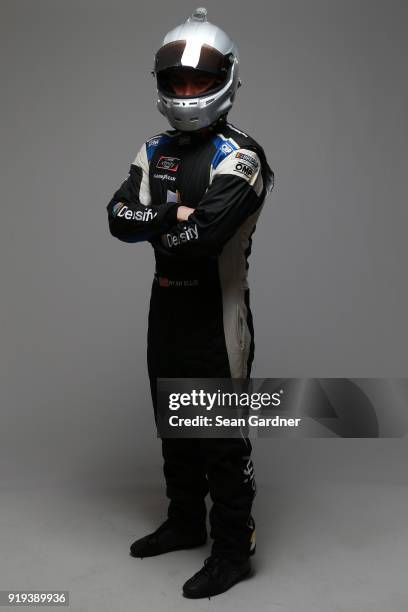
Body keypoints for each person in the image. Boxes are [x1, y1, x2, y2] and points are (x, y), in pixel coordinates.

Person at [106, 7, 274, 599]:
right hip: (167, 311)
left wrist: (163, 220)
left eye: (197, 81)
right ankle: (184, 523)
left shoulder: (243, 158)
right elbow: (117, 220)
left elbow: (199, 241)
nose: (185, 93)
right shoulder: (152, 149)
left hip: (218, 317)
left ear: (225, 80)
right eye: (175, 82)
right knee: (173, 426)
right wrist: (170, 215)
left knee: (221, 438)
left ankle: (232, 550)